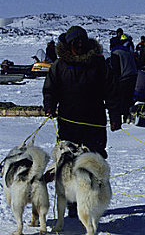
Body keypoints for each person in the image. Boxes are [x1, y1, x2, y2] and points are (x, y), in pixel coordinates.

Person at [43, 25, 121, 160]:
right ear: (69, 44)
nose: (80, 45)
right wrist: (49, 105)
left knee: (94, 162)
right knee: (67, 160)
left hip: (94, 122)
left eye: (82, 41)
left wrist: (115, 116)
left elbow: (111, 91)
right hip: (68, 122)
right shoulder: (60, 65)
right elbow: (50, 89)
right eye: (76, 41)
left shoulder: (99, 63)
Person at [110, 34, 138, 123]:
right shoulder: (126, 50)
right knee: (129, 97)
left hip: (124, 77)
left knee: (121, 98)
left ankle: (122, 118)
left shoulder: (115, 52)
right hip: (133, 74)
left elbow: (116, 69)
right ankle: (129, 115)